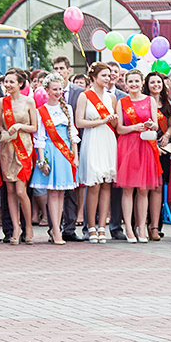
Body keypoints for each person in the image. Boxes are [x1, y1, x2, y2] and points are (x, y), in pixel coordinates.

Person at [29, 73, 79, 245]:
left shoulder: (68, 109)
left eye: (60, 89)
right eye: (54, 89)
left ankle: (58, 226)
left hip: (65, 153)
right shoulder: (40, 111)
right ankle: (55, 229)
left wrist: (75, 157)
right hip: (51, 151)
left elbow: (73, 135)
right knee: (52, 193)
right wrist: (42, 161)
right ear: (47, 91)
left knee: (61, 193)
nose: (58, 92)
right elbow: (40, 138)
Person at [115, 69, 161, 243]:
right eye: (130, 81)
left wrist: (149, 124)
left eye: (136, 81)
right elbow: (119, 128)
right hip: (128, 145)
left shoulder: (150, 101)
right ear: (126, 83)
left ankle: (142, 227)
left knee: (143, 191)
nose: (133, 84)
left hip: (145, 146)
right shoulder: (122, 102)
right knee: (128, 190)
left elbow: (156, 126)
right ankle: (128, 227)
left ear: (142, 82)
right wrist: (135, 128)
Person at [75, 62, 118, 243]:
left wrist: (112, 120)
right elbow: (79, 122)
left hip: (108, 139)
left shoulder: (112, 98)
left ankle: (102, 227)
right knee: (93, 184)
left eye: (109, 75)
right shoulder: (85, 96)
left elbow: (115, 124)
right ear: (94, 77)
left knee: (106, 183)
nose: (107, 79)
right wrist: (101, 121)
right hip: (92, 139)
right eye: (104, 75)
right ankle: (90, 226)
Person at [0, 68, 36, 245]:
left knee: (21, 190)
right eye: (6, 81)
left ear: (21, 84)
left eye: (12, 82)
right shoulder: (0, 103)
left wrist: (19, 126)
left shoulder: (29, 102)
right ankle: (15, 227)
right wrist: (5, 132)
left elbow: (34, 127)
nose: (8, 85)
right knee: (10, 190)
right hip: (7, 148)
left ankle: (28, 226)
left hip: (24, 148)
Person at [52, 56, 85, 241]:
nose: (59, 71)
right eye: (55, 68)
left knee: (71, 189)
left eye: (62, 68)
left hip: (72, 144)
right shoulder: (45, 92)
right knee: (54, 190)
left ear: (68, 70)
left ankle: (70, 228)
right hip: (53, 145)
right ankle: (54, 228)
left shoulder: (79, 92)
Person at [142, 71, 171, 239]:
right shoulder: (141, 103)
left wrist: (167, 135)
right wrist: (153, 144)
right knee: (143, 188)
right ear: (146, 85)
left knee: (158, 187)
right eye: (152, 82)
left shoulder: (168, 103)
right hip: (145, 148)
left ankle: (155, 226)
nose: (156, 85)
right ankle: (141, 224)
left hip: (163, 149)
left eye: (159, 82)